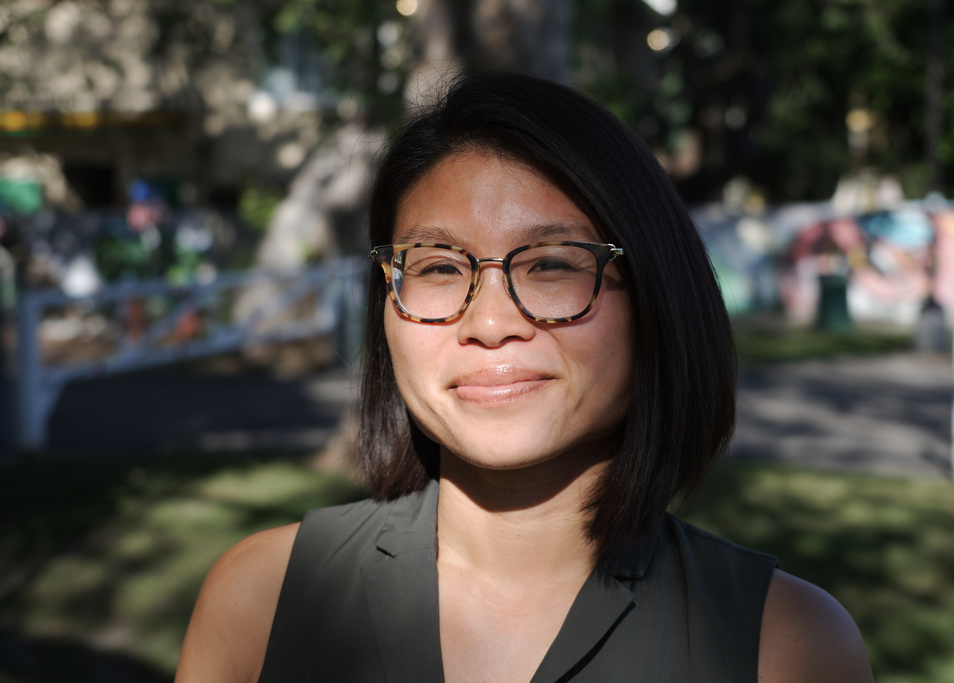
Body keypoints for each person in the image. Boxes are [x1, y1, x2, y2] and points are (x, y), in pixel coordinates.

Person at [176, 71, 874, 683]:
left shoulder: (786, 643)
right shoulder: (260, 599)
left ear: (656, 298)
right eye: (439, 268)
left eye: (551, 264)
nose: (489, 322)